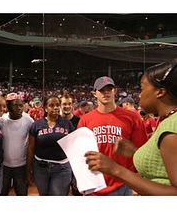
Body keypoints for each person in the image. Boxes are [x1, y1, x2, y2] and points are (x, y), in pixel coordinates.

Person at [85, 60, 177, 195]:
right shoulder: (168, 121)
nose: (139, 95)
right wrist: (135, 152)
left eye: (142, 88)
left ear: (160, 92)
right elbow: (159, 165)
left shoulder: (171, 128)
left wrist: (116, 169)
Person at [78, 76, 148, 196]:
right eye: (101, 90)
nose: (106, 92)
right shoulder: (85, 120)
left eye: (109, 89)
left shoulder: (132, 118)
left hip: (122, 181)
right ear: (95, 93)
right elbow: (80, 153)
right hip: (94, 183)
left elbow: (142, 149)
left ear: (114, 91)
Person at [26, 95, 75, 196]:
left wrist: (75, 173)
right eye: (51, 105)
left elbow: (73, 149)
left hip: (62, 168)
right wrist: (28, 171)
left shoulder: (67, 124)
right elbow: (31, 149)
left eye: (57, 105)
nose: (55, 108)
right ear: (45, 108)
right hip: (40, 168)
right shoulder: (37, 125)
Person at [0, 93, 34, 196]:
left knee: (22, 194)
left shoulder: (28, 121)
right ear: (8, 107)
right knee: (2, 193)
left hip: (21, 166)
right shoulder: (1, 120)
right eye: (16, 105)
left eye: (21, 105)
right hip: (4, 166)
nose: (19, 108)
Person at [60, 90, 81, 196]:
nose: (67, 106)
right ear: (60, 105)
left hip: (76, 163)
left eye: (69, 104)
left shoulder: (80, 121)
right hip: (60, 163)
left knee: (77, 192)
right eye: (64, 104)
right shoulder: (55, 121)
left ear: (73, 105)